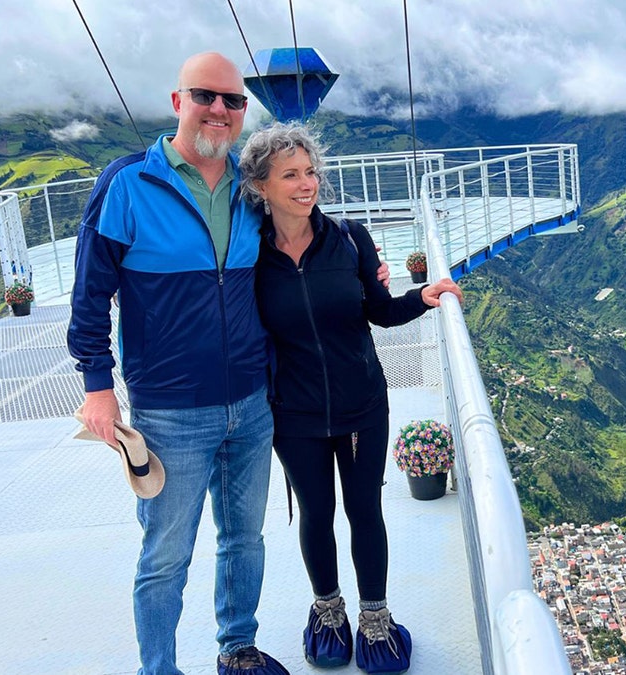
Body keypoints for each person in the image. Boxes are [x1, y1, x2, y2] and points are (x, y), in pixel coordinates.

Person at [67, 52, 297, 675]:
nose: (220, 110)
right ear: (177, 102)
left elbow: (302, 240)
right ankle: (159, 669)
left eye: (233, 101)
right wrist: (98, 386)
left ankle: (238, 649)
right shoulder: (129, 185)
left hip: (251, 401)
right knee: (166, 555)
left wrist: (368, 272)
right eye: (206, 96)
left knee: (244, 540)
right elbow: (89, 294)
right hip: (170, 412)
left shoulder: (251, 190)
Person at [239, 122, 463, 673]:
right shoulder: (249, 255)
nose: (306, 183)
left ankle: (375, 621)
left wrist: (423, 296)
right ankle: (330, 616)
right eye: (290, 174)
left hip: (363, 403)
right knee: (315, 512)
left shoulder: (350, 238)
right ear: (260, 186)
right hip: (293, 412)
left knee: (365, 511)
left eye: (311, 171)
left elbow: (378, 310)